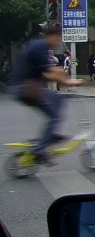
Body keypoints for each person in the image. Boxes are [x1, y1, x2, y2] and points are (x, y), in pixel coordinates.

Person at [9, 25, 82, 164]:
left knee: (58, 99)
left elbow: (49, 72)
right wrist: (70, 81)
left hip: (28, 86)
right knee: (54, 116)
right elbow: (49, 72)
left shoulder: (38, 46)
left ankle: (49, 135)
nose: (59, 41)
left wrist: (61, 74)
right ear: (50, 36)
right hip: (25, 88)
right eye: (58, 38)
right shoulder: (39, 48)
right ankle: (39, 151)